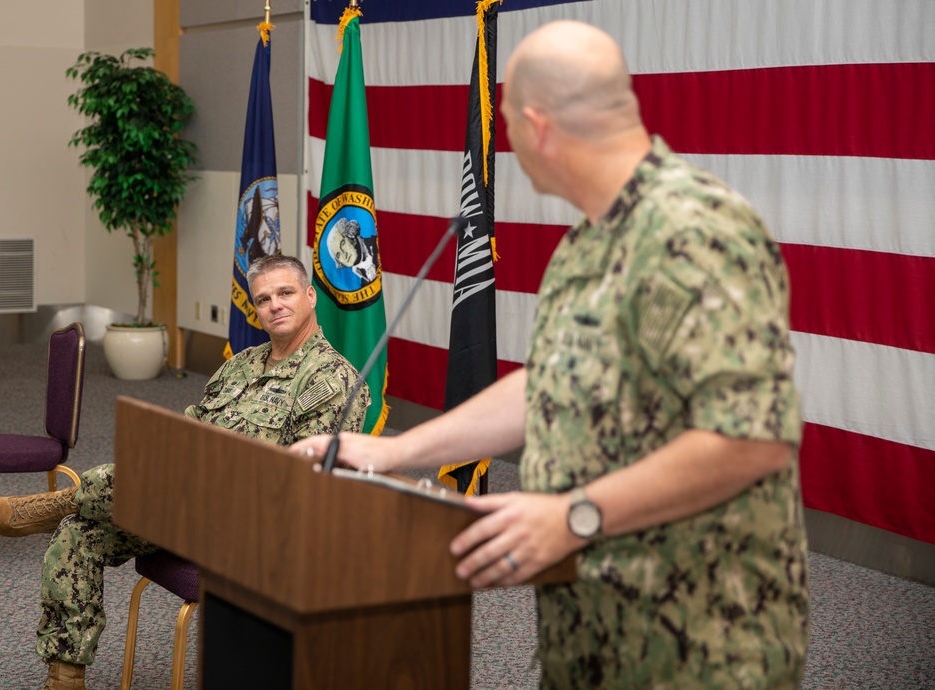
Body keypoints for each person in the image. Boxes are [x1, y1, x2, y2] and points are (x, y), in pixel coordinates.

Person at [292, 20, 808, 689]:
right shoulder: (588, 241)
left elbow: (753, 442)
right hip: (594, 616)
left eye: (504, 123)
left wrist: (573, 514)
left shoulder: (694, 230)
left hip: (699, 637)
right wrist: (395, 451)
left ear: (536, 127)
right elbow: (547, 386)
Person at [0, 254, 370, 690]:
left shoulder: (334, 381)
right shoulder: (241, 364)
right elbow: (190, 428)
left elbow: (305, 488)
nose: (275, 305)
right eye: (263, 298)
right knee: (78, 534)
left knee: (117, 488)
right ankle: (65, 677)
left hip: (255, 528)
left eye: (285, 293)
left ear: (310, 296)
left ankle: (70, 498)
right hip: (185, 505)